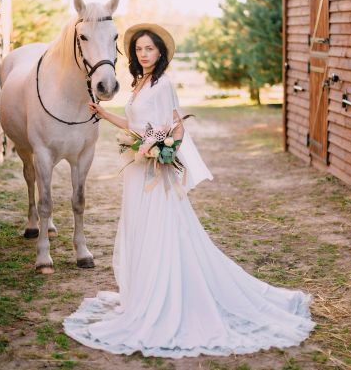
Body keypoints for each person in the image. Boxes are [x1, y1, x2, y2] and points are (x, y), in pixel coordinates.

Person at [63, 23, 315, 358]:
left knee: (162, 231)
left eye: (149, 49)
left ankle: (167, 298)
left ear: (160, 52)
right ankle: (146, 293)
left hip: (156, 171)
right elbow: (138, 126)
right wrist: (105, 114)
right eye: (139, 49)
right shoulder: (139, 84)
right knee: (141, 231)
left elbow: (176, 124)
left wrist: (166, 151)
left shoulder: (163, 83)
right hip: (138, 172)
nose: (144, 54)